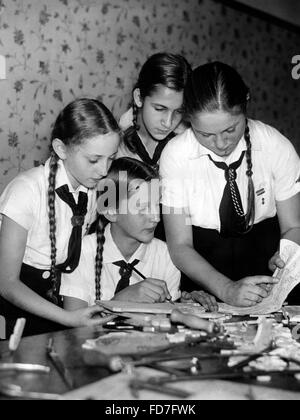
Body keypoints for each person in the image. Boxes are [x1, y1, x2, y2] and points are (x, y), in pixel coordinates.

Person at [160, 61, 300, 307]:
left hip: (264, 268)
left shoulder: (275, 146)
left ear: (245, 102)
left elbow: (293, 226)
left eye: (230, 129)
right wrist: (226, 289)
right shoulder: (175, 156)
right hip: (204, 275)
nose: (221, 143)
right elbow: (180, 246)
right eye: (205, 135)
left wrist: (287, 254)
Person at [0, 98, 120, 337]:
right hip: (16, 306)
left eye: (111, 158)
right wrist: (67, 318)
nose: (104, 170)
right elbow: (6, 283)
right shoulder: (25, 191)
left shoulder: (97, 187)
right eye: (94, 160)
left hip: (61, 302)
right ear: (61, 148)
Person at [60, 157, 218, 311]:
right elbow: (75, 328)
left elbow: (163, 326)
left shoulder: (165, 255)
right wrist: (120, 302)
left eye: (157, 205)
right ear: (111, 211)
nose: (156, 217)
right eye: (142, 208)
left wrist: (183, 307)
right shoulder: (80, 253)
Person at [118, 52, 191, 170]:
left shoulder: (188, 141)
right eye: (160, 109)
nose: (168, 123)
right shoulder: (114, 148)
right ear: (138, 97)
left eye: (179, 111)